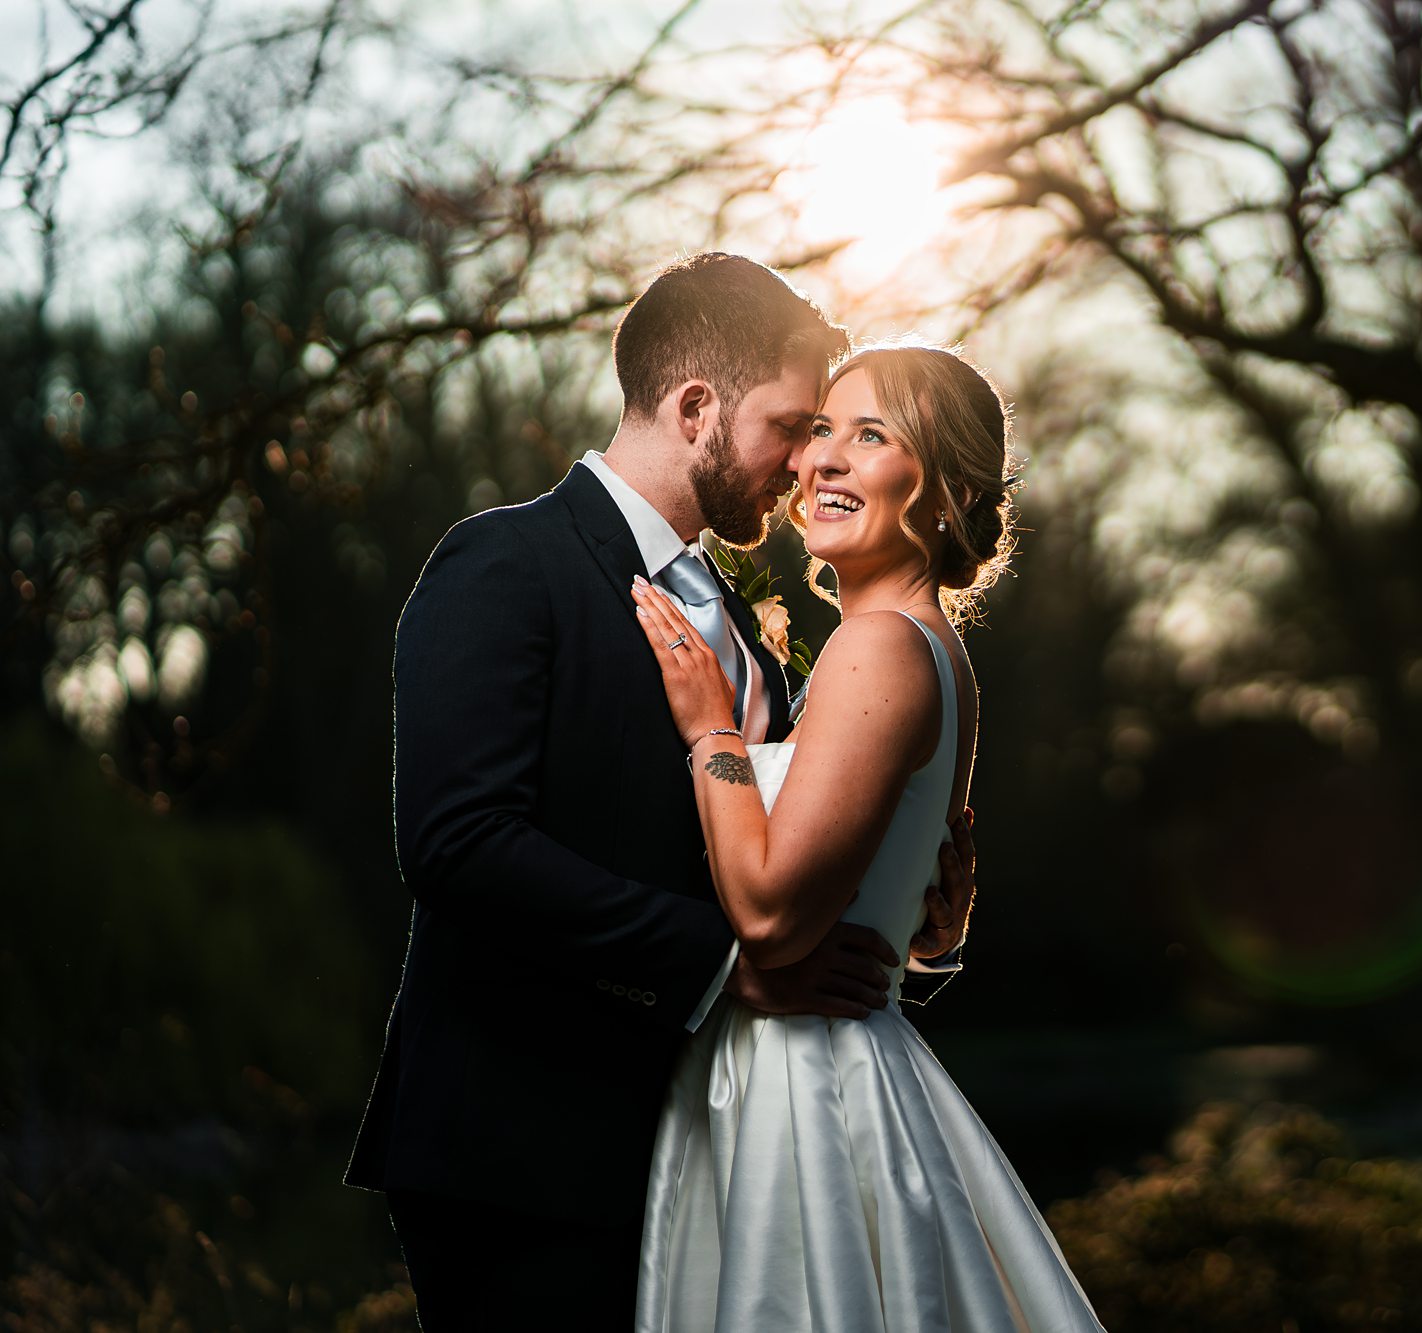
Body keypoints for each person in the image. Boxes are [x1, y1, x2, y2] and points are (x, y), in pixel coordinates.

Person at [343, 254, 977, 1331]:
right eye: (791, 425)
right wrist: (724, 966)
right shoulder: (507, 564)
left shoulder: (751, 635)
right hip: (523, 1149)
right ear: (695, 408)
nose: (802, 461)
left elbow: (775, 869)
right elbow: (456, 842)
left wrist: (908, 921)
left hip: (707, 1146)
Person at [628, 344, 1102, 1330]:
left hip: (802, 1093)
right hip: (823, 1059)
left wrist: (710, 726)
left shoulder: (879, 646)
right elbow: (899, 904)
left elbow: (766, 912)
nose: (824, 460)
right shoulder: (929, 648)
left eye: (871, 435)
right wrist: (927, 936)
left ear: (946, 492)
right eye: (820, 432)